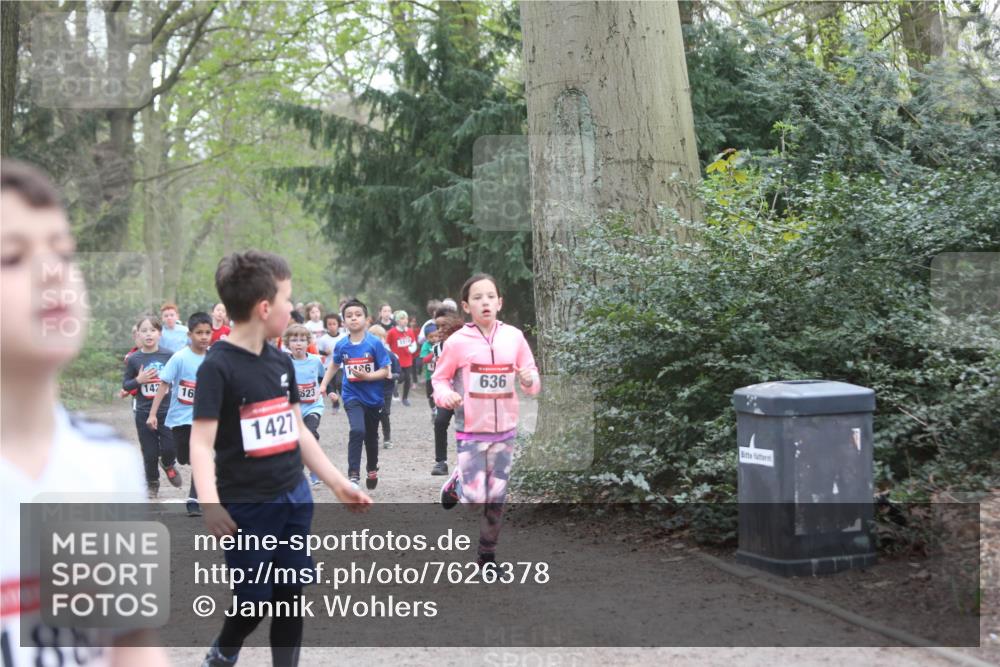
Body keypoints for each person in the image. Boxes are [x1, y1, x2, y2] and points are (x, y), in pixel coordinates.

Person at [1, 158, 170, 667]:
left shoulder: (108, 463)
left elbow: (131, 645)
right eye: (12, 256)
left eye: (63, 252)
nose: (52, 271)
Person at [190, 250, 371, 667]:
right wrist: (210, 503)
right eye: (287, 300)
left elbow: (298, 430)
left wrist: (337, 482)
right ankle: (224, 651)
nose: (292, 308)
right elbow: (200, 443)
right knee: (253, 601)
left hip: (293, 498)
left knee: (290, 597)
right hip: (247, 508)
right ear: (264, 308)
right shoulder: (217, 367)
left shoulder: (280, 362)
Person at [433, 273, 540, 568]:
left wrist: (529, 379)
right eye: (478, 298)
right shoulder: (457, 342)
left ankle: (487, 557)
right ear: (467, 306)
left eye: (491, 297)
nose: (485, 302)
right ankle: (458, 484)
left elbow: (532, 379)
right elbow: (439, 380)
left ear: (500, 303)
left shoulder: (513, 337)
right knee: (475, 500)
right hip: (470, 429)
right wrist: (446, 396)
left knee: (497, 498)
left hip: (505, 430)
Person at [146, 311, 213, 516]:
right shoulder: (180, 358)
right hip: (179, 419)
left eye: (207, 332)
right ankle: (171, 462)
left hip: (203, 419)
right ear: (189, 335)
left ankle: (194, 500)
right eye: (199, 333)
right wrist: (152, 414)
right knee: (183, 457)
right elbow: (164, 385)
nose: (204, 337)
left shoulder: (214, 358)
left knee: (201, 457)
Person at [319, 299, 390, 490]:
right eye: (349, 316)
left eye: (358, 315)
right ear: (344, 321)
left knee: (371, 436)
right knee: (357, 431)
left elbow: (385, 370)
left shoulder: (375, 343)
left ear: (366, 319)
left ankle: (372, 468)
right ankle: (353, 475)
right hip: (352, 395)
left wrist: (367, 376)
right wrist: (324, 384)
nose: (353, 318)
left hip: (373, 398)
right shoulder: (342, 344)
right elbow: (334, 364)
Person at [122, 315, 181, 498]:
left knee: (170, 448)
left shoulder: (169, 355)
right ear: (138, 334)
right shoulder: (134, 359)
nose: (148, 334)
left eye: (153, 330)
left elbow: (179, 380)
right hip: (143, 412)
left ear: (160, 333)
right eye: (144, 331)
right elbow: (126, 385)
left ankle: (168, 463)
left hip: (167, 412)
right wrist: (138, 380)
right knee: (150, 453)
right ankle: (152, 484)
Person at [284, 323, 327, 487]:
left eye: (302, 340)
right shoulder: (284, 363)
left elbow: (323, 377)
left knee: (310, 434)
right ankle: (298, 473)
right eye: (294, 340)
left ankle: (315, 469)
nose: (298, 344)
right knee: (295, 441)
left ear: (308, 342)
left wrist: (328, 390)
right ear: (288, 344)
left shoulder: (315, 361)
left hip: (313, 406)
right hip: (292, 409)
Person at [425, 309, 465, 476]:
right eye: (437, 326)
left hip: (465, 394)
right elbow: (439, 374)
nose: (439, 330)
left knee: (466, 427)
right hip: (446, 393)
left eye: (443, 326)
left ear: (454, 325)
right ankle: (441, 462)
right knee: (440, 422)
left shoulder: (466, 344)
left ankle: (467, 462)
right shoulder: (436, 349)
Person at [368, 325, 400, 450]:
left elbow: (399, 374)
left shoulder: (391, 355)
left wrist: (391, 376)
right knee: (371, 414)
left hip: (386, 390)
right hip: (370, 390)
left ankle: (387, 438)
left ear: (384, 339)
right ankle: (372, 437)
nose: (376, 342)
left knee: (384, 414)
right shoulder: (366, 356)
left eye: (379, 338)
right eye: (373, 338)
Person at [386, 310, 418, 406]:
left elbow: (413, 342)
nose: (405, 320)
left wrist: (412, 349)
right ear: (397, 321)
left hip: (408, 360)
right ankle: (393, 390)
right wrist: (392, 354)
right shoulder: (392, 332)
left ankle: (405, 398)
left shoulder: (410, 331)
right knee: (400, 378)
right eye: (402, 318)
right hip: (397, 361)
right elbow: (386, 345)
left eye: (406, 318)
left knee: (408, 378)